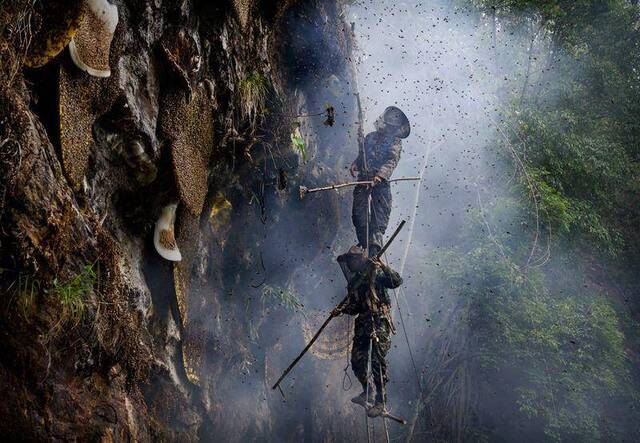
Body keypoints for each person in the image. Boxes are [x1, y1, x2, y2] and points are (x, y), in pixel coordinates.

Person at [334, 246, 403, 417]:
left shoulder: (375, 272)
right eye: (348, 261)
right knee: (357, 360)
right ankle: (367, 391)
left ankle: (381, 401)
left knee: (377, 360)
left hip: (379, 321)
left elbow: (396, 281)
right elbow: (354, 306)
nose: (349, 264)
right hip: (363, 323)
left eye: (352, 260)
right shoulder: (354, 282)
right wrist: (341, 310)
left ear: (359, 260)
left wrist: (382, 265)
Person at [350, 106, 410, 256]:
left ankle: (374, 252)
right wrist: (355, 164)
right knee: (359, 215)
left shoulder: (395, 142)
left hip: (380, 184)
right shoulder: (370, 136)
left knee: (379, 217)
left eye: (390, 126)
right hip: (363, 180)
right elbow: (362, 154)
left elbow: (391, 160)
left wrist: (380, 176)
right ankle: (364, 245)